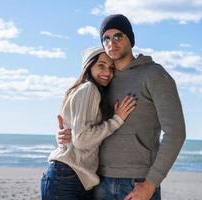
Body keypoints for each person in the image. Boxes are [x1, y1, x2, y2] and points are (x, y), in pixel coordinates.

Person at [57, 14, 186, 200]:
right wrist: (63, 135)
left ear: (130, 39)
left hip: (137, 183)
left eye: (118, 36)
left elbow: (176, 132)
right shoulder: (102, 79)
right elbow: (81, 121)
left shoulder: (154, 75)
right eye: (106, 38)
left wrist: (151, 183)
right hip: (99, 182)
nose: (112, 43)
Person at [40, 46, 137, 200]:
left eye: (111, 68)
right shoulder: (89, 89)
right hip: (67, 177)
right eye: (101, 65)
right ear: (88, 66)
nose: (107, 72)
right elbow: (82, 139)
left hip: (71, 177)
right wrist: (117, 120)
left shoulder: (85, 90)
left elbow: (73, 132)